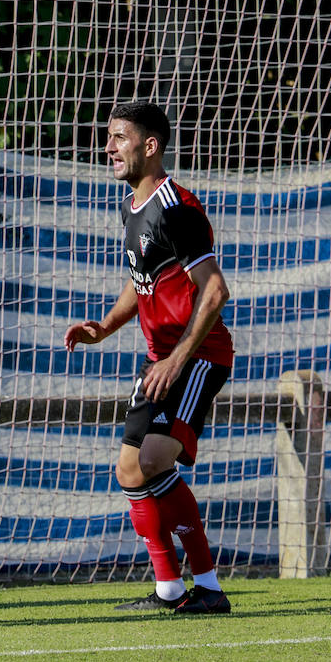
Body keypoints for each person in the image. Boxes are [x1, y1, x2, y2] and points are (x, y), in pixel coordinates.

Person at [64, 102, 233, 615]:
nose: (108, 147)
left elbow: (215, 290)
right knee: (129, 471)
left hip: (197, 355)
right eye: (108, 137)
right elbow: (143, 281)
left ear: (150, 145)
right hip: (162, 358)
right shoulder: (132, 206)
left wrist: (178, 358)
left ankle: (208, 586)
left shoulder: (176, 208)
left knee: (154, 460)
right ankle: (169, 590)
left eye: (119, 137)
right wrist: (105, 327)